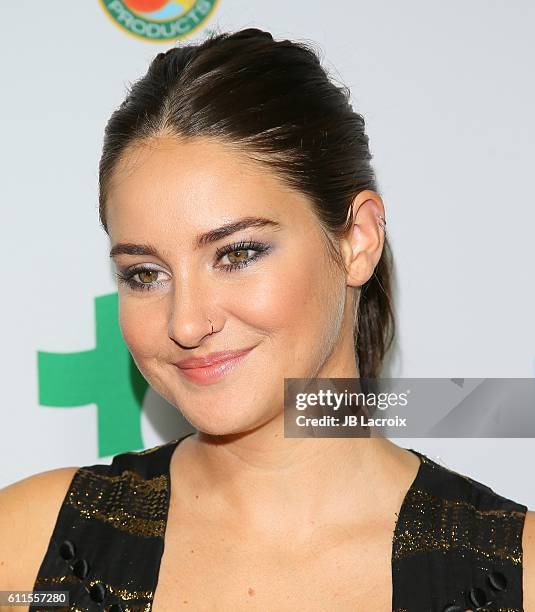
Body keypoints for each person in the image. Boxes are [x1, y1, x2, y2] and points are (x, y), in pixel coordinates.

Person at [1, 27, 534, 611]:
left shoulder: (517, 574)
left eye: (238, 254)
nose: (186, 323)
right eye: (146, 273)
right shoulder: (27, 549)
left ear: (357, 240)